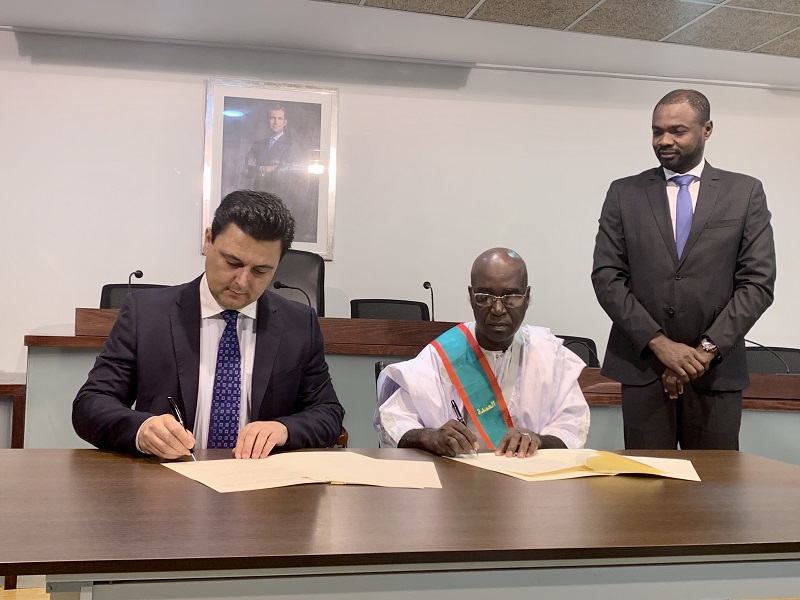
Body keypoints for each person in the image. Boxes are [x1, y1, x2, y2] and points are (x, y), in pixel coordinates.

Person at [73, 190, 344, 459]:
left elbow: (328, 413)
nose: (242, 282)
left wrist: (284, 429)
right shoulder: (146, 314)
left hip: (260, 478)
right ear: (208, 241)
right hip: (170, 476)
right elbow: (90, 403)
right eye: (232, 262)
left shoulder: (299, 324)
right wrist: (142, 430)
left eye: (260, 271)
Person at [591, 89, 776, 450]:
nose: (664, 140)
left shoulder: (745, 192)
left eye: (677, 131)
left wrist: (705, 351)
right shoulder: (624, 193)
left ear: (707, 129)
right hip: (644, 368)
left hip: (716, 374)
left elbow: (758, 282)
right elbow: (607, 277)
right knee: (647, 480)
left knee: (714, 483)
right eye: (657, 131)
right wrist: (660, 345)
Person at [375, 248, 590, 458]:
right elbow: (394, 420)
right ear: (471, 296)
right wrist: (429, 436)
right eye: (484, 296)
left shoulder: (549, 356)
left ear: (527, 297)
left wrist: (538, 440)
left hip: (528, 479)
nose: (498, 309)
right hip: (455, 477)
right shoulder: (441, 355)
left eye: (511, 296)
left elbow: (572, 428)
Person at [244, 104, 295, 193]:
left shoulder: (291, 145)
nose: (276, 122)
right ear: (268, 120)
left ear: (285, 122)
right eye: (272, 118)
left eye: (280, 118)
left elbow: (287, 173)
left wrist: (259, 168)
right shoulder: (257, 144)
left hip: (279, 195)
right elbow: (248, 171)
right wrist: (271, 168)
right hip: (257, 193)